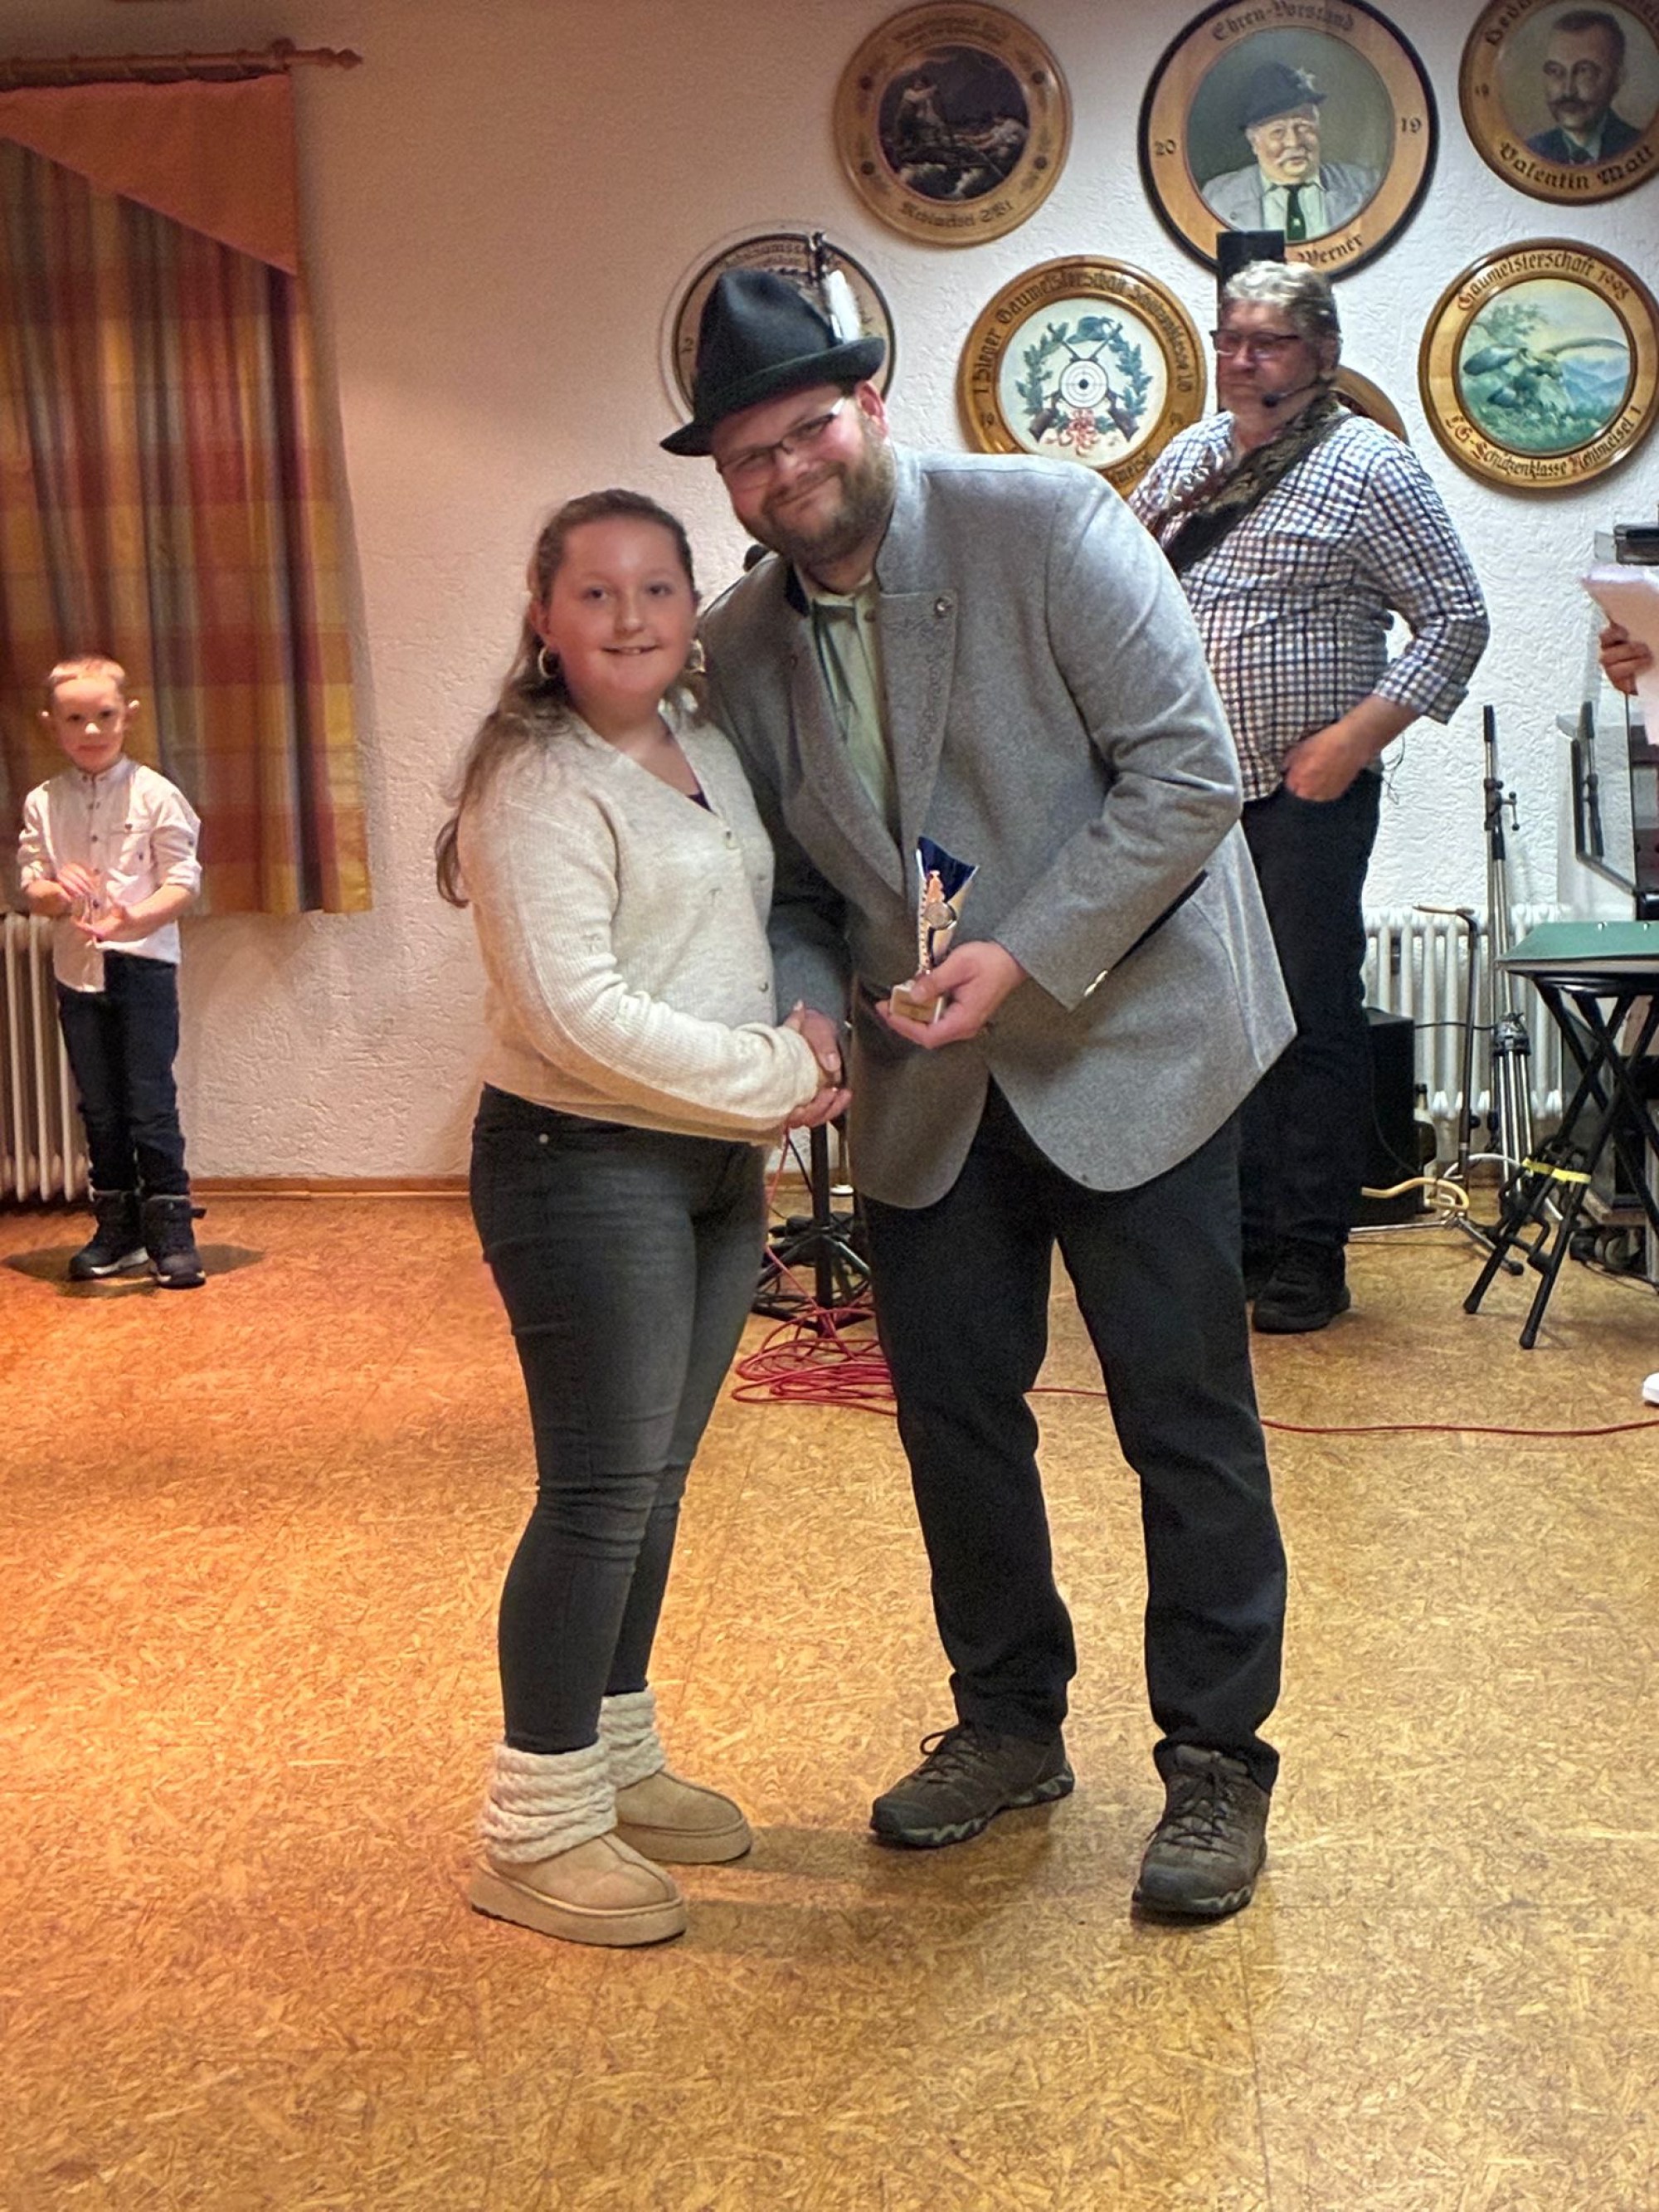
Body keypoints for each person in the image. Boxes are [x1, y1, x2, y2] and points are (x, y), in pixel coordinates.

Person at [666, 268, 1295, 1921]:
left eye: (808, 428)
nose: (785, 471)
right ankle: (1009, 1722)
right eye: (746, 456)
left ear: (870, 405)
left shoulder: (1045, 523)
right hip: (926, 1079)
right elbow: (800, 890)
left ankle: (1216, 1759)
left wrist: (1019, 956)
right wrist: (808, 1010)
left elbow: (1186, 775)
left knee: (1182, 1416)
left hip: (1135, 1042)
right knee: (953, 1417)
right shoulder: (738, 642)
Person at [436, 489, 839, 1950]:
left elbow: (753, 918)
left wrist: (798, 1042)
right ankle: (533, 1826)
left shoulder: (704, 744)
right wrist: (782, 1073)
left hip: (710, 1167)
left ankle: (608, 1755)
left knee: (652, 1483)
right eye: (594, 593)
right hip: (581, 1163)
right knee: (597, 1492)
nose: (629, 617)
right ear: (544, 619)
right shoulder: (536, 781)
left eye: (657, 589)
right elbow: (578, 1016)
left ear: (690, 609)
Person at [1132, 263, 1490, 1333]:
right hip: (1189, 794)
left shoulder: (1368, 466)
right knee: (1214, 1020)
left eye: (1268, 342)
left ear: (1322, 353)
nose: (1241, 359)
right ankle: (1237, 1238)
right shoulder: (1190, 460)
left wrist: (1351, 740)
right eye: (1229, 338)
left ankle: (1308, 1254)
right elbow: (1121, 588)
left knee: (1303, 1020)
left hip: (1304, 796)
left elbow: (1455, 616)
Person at [17, 655, 206, 1289]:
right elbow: (32, 887)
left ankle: (171, 1231)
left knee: (150, 1102)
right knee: (98, 1106)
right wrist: (54, 891)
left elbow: (182, 882)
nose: (91, 730)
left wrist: (135, 919)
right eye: (75, 719)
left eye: (104, 715)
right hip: (77, 972)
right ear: (52, 725)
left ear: (128, 717)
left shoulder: (156, 794)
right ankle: (117, 1230)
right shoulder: (44, 802)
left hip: (143, 967)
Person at [1199, 60, 1379, 241]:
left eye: (1303, 126)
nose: (1293, 142)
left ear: (1318, 128)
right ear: (1254, 142)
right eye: (1278, 132)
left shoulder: (1365, 186)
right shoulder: (1219, 198)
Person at [1525, 9, 1642, 163]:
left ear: (1618, 78)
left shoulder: (1638, 146)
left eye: (1584, 71)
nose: (1568, 91)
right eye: (1555, 71)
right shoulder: (1531, 152)